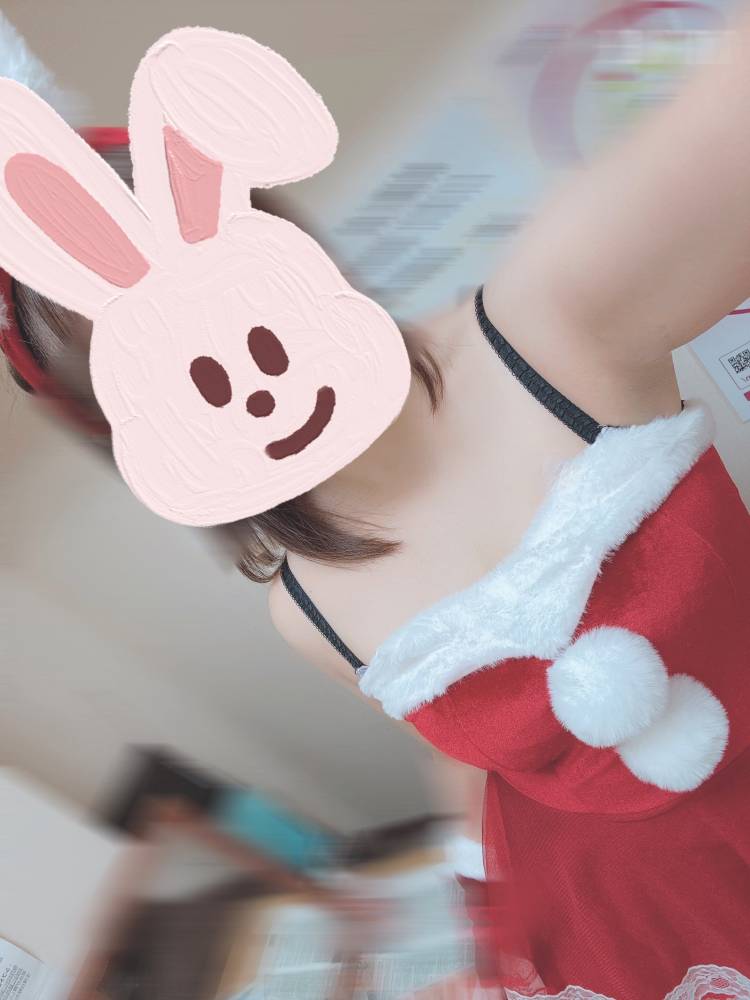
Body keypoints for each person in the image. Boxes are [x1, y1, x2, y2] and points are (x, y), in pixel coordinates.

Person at [3, 12, 750, 999]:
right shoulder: (305, 607)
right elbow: (474, 767)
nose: (237, 380)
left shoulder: (548, 327)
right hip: (628, 927)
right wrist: (488, 941)